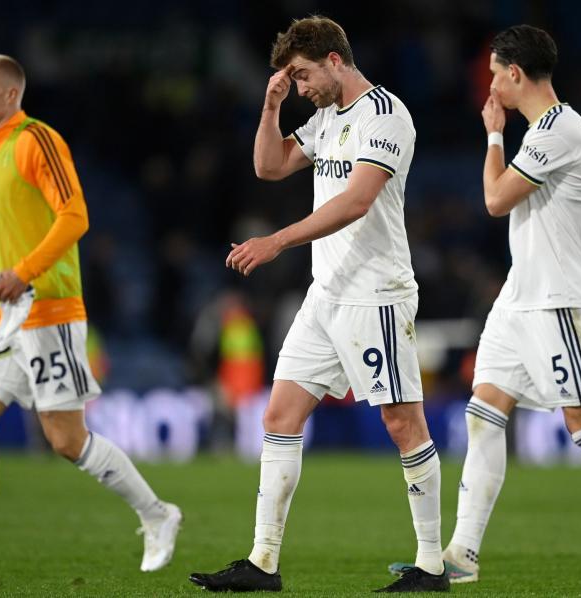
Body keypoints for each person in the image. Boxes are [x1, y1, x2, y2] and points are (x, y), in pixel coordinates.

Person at [387, 25, 581, 585]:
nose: (487, 84)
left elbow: (493, 199)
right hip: (520, 299)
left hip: (555, 303)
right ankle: (461, 555)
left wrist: (492, 137)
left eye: (492, 73)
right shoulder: (551, 132)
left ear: (514, 74)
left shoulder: (558, 129)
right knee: (483, 414)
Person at [189, 16, 448, 593]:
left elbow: (358, 201)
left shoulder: (385, 116)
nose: (301, 87)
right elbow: (270, 165)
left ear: (334, 60)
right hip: (325, 296)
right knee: (279, 417)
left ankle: (432, 566)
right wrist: (271, 107)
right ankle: (262, 564)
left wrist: (276, 241)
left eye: (303, 76)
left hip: (375, 294)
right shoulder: (325, 118)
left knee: (402, 423)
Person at [0, 55, 181, 575]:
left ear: (11, 94)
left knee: (66, 440)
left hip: (49, 310)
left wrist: (25, 272)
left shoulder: (37, 140)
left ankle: (158, 514)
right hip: (0, 314)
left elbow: (75, 215)